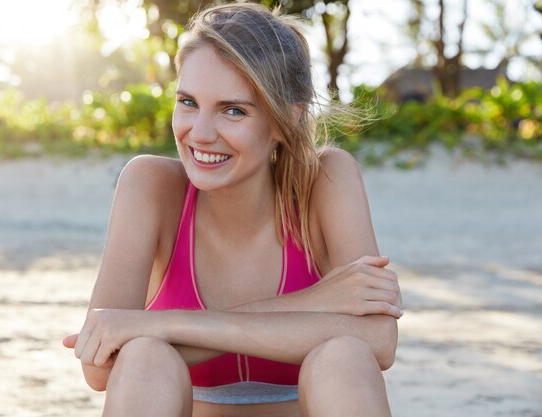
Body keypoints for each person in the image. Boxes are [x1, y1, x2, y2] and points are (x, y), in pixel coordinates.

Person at [63, 3, 403, 416]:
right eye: (188, 102)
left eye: (233, 110)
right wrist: (312, 302)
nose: (200, 133)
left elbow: (379, 340)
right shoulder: (150, 186)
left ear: (285, 122)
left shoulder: (327, 180)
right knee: (144, 357)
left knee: (345, 357)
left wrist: (159, 323)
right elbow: (101, 366)